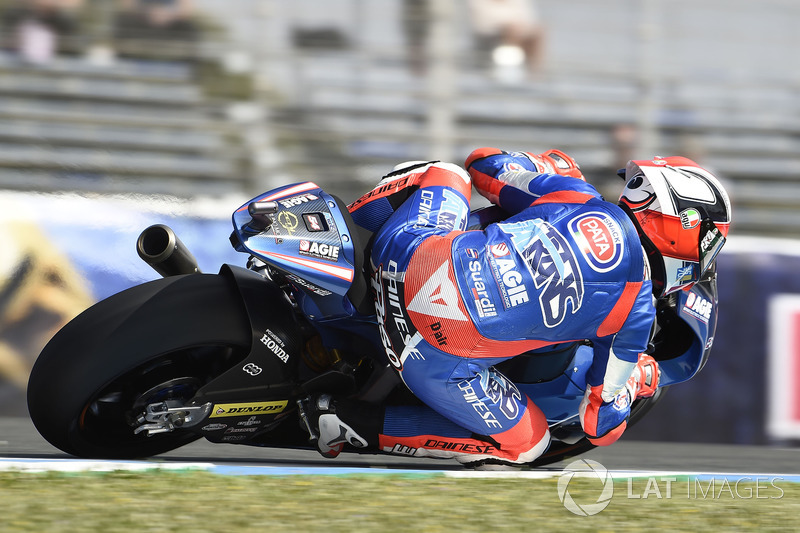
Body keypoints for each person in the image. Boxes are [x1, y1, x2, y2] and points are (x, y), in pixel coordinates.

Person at [306, 148, 732, 467]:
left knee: (445, 173)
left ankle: (340, 253)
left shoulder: (575, 195)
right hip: (424, 353)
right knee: (528, 444)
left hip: (403, 255)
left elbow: (482, 163)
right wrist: (641, 378)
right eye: (710, 244)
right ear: (684, 228)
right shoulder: (635, 316)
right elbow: (599, 427)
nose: (705, 258)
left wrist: (540, 164)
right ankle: (351, 423)